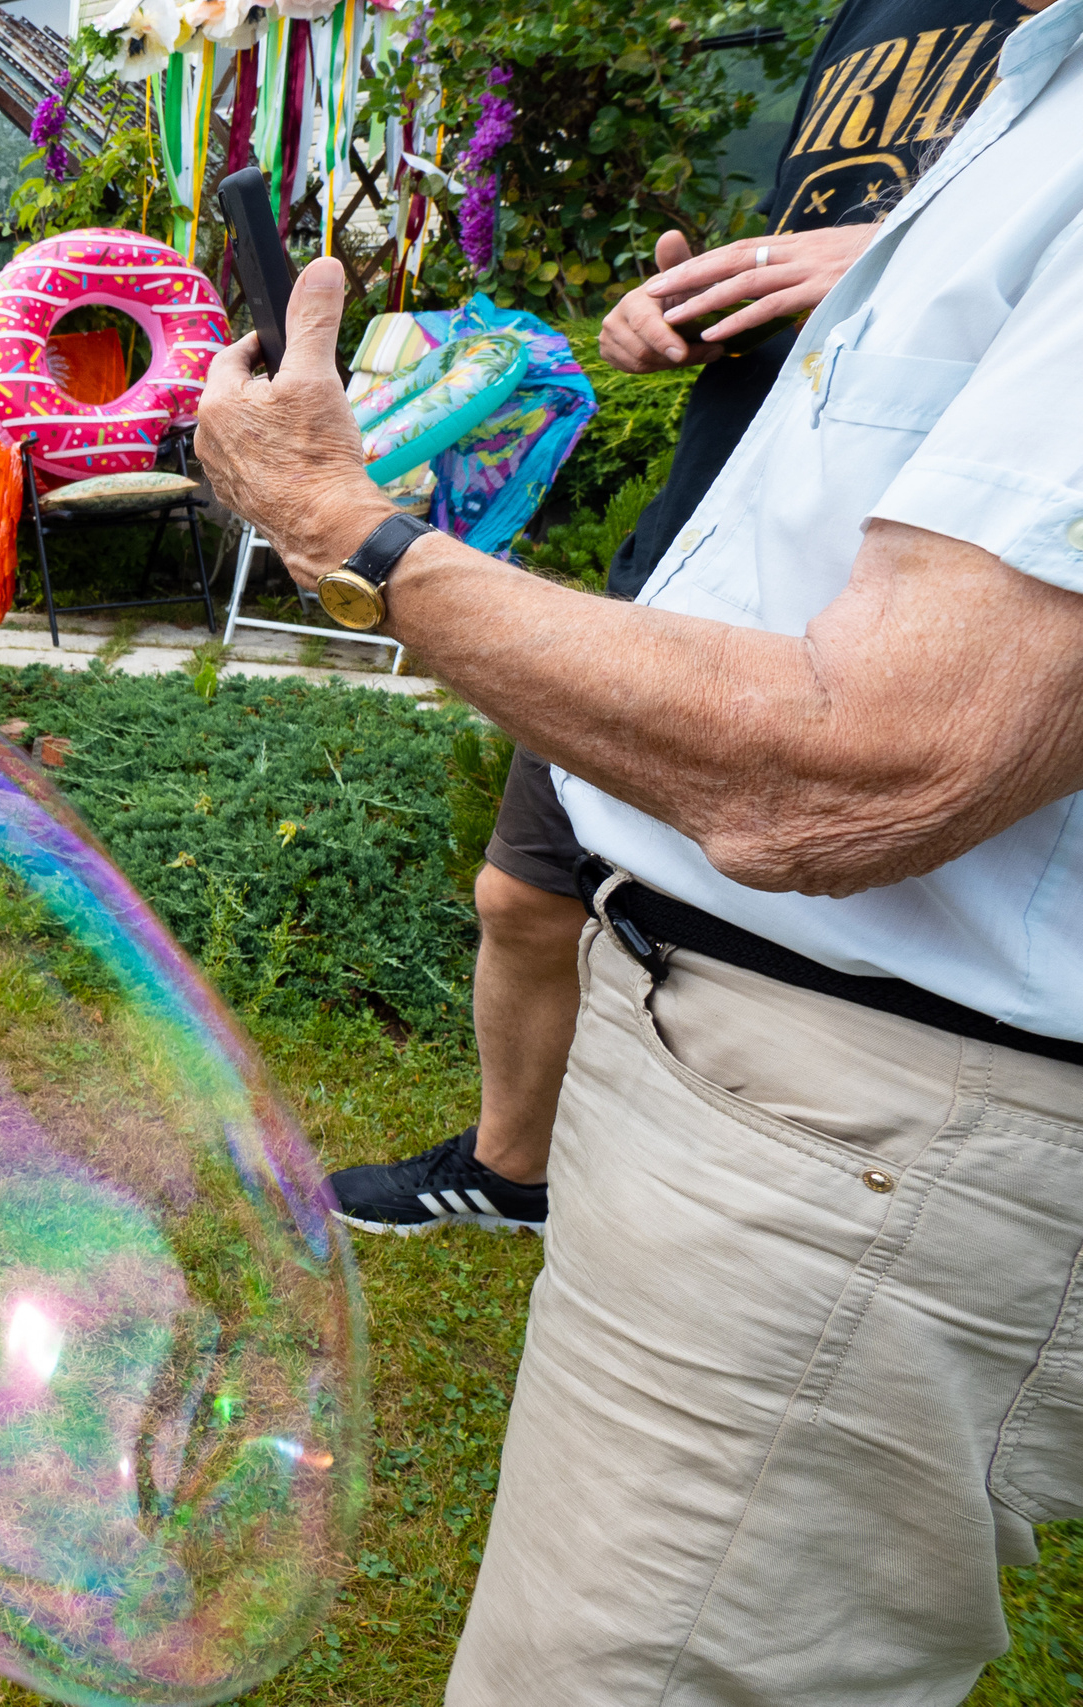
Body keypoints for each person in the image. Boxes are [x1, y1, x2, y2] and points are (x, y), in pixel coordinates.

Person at [194, 0, 1083, 1694]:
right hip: (752, 1056)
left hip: (853, 1124)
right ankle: (511, 1165)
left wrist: (333, 522)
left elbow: (861, 765)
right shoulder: (1038, 80)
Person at [326, 0, 1044, 1237]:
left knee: (767, 936)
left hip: (898, 582)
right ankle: (513, 1169)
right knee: (524, 892)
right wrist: (676, 314)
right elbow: (798, 272)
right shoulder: (872, 16)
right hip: (701, 534)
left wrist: (901, 263)